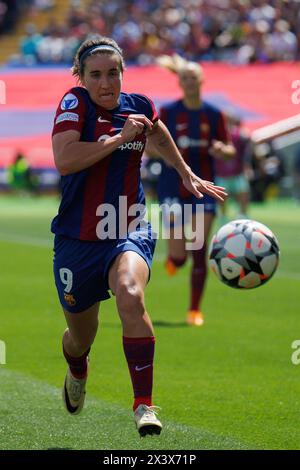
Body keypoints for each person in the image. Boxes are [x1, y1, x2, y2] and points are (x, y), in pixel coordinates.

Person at [51, 36, 227, 436]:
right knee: (81, 338)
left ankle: (143, 405)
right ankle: (78, 367)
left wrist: (186, 173)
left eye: (113, 72)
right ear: (80, 78)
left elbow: (159, 134)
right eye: (95, 74)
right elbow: (64, 159)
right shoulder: (74, 105)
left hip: (125, 226)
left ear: (122, 74)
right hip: (77, 240)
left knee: (131, 295)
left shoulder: (140, 106)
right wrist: (117, 139)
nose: (106, 82)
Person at [153, 54, 235, 327]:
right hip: (172, 187)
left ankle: (194, 311)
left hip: (204, 188)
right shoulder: (168, 113)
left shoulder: (214, 114)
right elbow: (150, 144)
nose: (189, 82)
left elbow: (228, 148)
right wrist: (167, 157)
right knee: (179, 256)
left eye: (193, 78)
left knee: (199, 248)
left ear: (201, 81)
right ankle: (174, 259)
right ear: (180, 81)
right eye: (185, 78)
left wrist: (223, 150)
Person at [214, 113, 251, 224]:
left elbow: (246, 150)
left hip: (237, 172)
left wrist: (247, 167)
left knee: (243, 193)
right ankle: (223, 218)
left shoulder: (239, 134)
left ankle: (243, 216)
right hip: (222, 173)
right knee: (222, 197)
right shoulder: (217, 135)